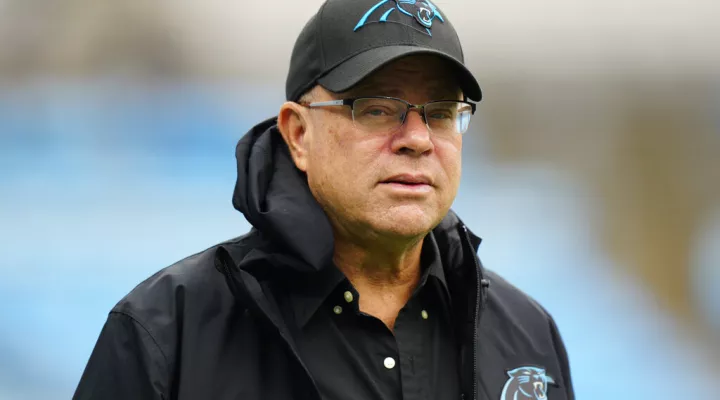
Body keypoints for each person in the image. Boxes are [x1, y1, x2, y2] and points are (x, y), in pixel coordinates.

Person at [74, 0, 575, 399]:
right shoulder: (167, 333)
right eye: (378, 108)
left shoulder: (527, 335)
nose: (418, 138)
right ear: (297, 133)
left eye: (441, 111)